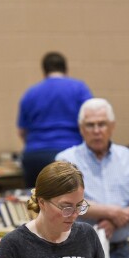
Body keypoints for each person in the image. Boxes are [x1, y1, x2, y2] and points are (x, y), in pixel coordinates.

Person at [55, 98, 129, 258]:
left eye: (102, 124)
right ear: (81, 128)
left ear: (112, 126)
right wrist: (111, 212)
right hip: (78, 254)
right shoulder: (65, 160)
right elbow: (63, 202)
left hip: (120, 250)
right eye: (90, 125)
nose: (96, 131)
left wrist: (120, 217)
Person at [17, 52, 92, 187]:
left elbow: (22, 131)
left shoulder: (30, 93)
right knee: (69, 203)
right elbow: (91, 118)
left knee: (36, 203)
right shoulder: (79, 89)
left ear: (44, 71)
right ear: (66, 69)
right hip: (69, 152)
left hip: (35, 156)